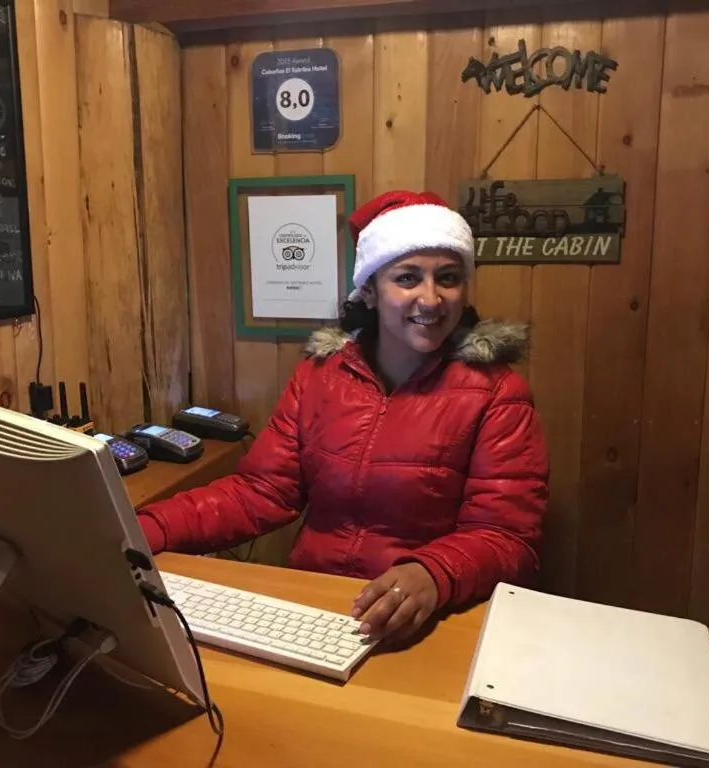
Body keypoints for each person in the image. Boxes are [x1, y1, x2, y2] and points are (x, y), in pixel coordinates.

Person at [138, 189, 549, 645]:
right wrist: (145, 530)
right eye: (408, 278)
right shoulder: (320, 377)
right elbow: (261, 491)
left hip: (427, 621)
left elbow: (506, 536)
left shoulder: (498, 393)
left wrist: (433, 573)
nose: (431, 299)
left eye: (448, 278)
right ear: (370, 290)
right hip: (315, 608)